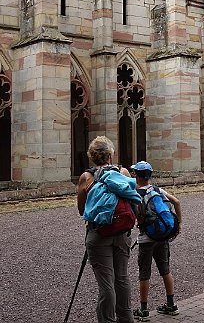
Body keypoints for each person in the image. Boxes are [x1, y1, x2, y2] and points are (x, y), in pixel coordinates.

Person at [76, 136, 138, 323]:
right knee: (122, 278)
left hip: (98, 235)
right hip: (122, 233)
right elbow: (133, 198)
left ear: (92, 157)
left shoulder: (86, 177)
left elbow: (82, 210)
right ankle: (126, 319)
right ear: (111, 155)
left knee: (106, 284)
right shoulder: (124, 172)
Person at [130, 161, 182, 322]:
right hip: (163, 236)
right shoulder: (157, 190)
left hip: (146, 238)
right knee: (165, 270)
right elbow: (177, 202)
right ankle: (171, 305)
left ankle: (144, 310)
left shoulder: (136, 194)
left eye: (134, 173)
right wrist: (179, 223)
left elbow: (136, 217)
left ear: (137, 176)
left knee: (144, 274)